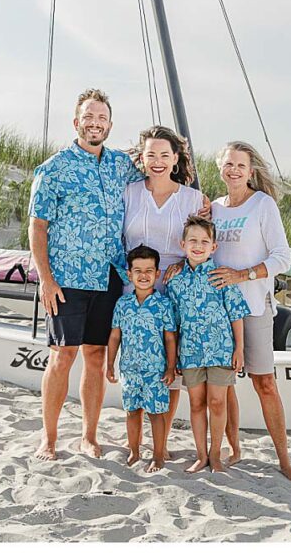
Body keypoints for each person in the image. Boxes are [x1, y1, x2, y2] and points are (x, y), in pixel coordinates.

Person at [29, 88, 143, 461]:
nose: (95, 123)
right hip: (66, 277)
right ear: (76, 122)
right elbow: (37, 227)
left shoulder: (119, 165)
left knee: (95, 356)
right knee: (62, 355)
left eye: (102, 118)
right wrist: (45, 278)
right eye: (88, 117)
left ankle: (89, 436)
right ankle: (48, 438)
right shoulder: (53, 169)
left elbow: (161, 169)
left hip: (109, 274)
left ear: (109, 125)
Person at [208, 141, 291, 481]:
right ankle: (234, 450)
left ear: (251, 171)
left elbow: (282, 258)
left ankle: (284, 460)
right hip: (217, 310)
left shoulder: (263, 205)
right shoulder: (214, 208)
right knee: (225, 385)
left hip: (253, 304)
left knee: (265, 384)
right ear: (221, 166)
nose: (233, 170)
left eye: (240, 166)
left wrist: (242, 275)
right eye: (228, 164)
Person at [121, 125, 210, 457]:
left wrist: (181, 267)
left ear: (176, 158)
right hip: (134, 291)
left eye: (164, 155)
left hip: (174, 294)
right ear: (142, 158)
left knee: (167, 369)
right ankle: (135, 442)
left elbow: (202, 245)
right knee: (137, 364)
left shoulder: (193, 199)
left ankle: (162, 439)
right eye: (150, 155)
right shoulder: (128, 192)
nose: (157, 161)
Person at [166, 216, 249, 473]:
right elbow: (174, 323)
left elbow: (236, 313)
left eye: (204, 241)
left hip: (221, 349)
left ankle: (216, 456)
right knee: (196, 404)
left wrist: (239, 348)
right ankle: (200, 455)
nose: (198, 246)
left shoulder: (221, 276)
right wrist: (175, 358)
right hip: (190, 352)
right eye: (193, 241)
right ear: (183, 244)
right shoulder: (175, 281)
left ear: (214, 247)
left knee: (217, 403)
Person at [105, 245, 177, 472]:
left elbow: (170, 339)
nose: (143, 275)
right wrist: (110, 364)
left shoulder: (164, 304)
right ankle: (134, 451)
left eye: (149, 270)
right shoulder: (122, 304)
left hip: (156, 369)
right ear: (130, 274)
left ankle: (158, 455)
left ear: (157, 274)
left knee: (156, 413)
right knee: (132, 411)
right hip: (129, 369)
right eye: (138, 270)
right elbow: (115, 336)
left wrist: (170, 367)